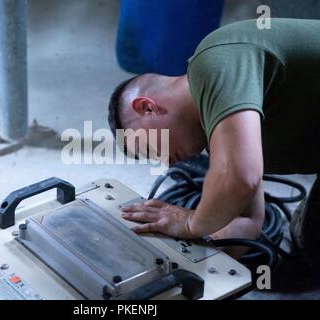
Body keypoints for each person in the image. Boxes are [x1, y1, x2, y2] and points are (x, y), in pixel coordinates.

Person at [107, 19, 320, 264]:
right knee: (309, 247)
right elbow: (249, 220)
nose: (166, 163)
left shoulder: (213, 63)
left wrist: (190, 223)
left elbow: (241, 179)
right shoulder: (222, 128)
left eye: (150, 148)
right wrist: (201, 268)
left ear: (147, 107)